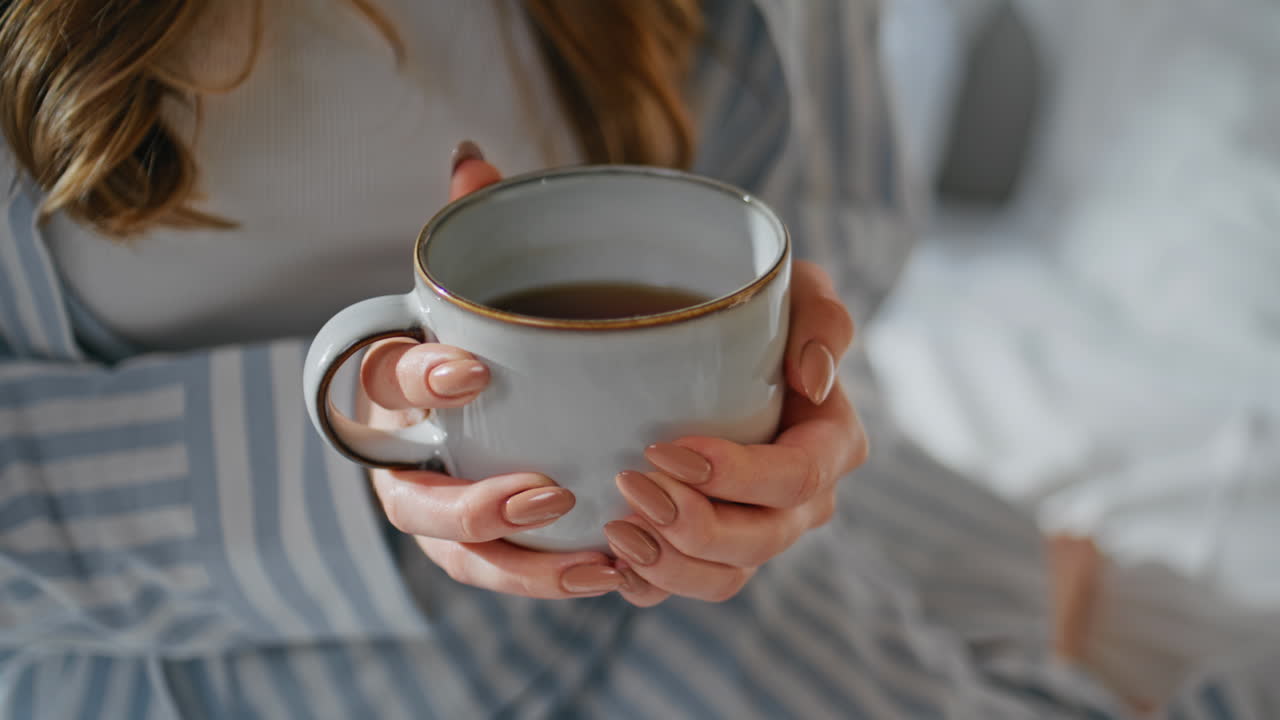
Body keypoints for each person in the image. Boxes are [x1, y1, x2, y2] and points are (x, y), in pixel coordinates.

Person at [2, 0, 1275, 717]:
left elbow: (813, 217)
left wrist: (798, 400)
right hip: (220, 647)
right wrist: (357, 464)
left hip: (673, 556)